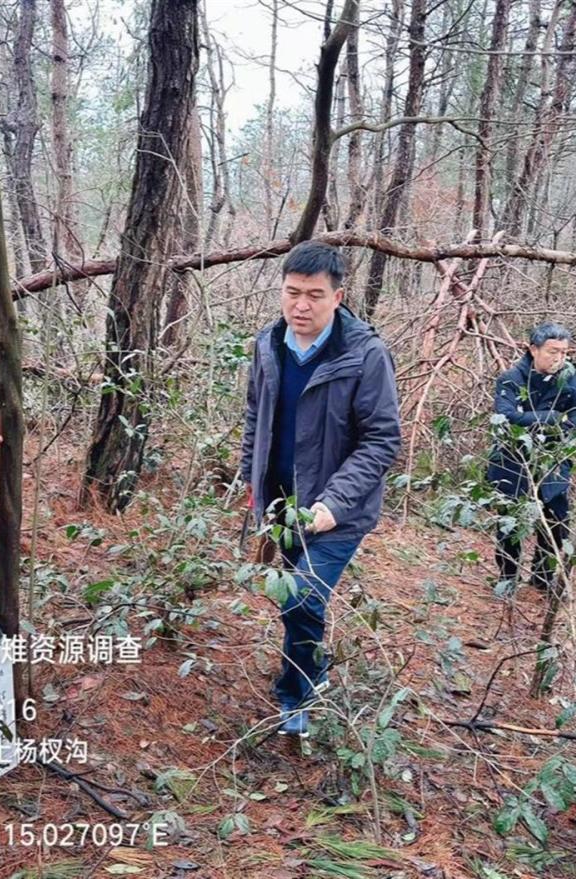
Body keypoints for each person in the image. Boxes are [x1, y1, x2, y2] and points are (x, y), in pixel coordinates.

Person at [240, 241, 401, 737]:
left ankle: (299, 694)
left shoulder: (365, 353)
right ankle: (310, 669)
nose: (300, 306)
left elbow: (381, 439)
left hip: (338, 511)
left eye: (314, 295)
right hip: (282, 504)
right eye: (292, 293)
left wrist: (334, 502)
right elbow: (255, 418)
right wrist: (252, 484)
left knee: (304, 598)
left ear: (338, 296)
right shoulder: (268, 345)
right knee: (293, 596)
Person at [486, 323, 576, 594]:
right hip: (512, 460)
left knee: (555, 521)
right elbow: (508, 418)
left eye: (564, 352)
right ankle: (507, 578)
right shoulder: (511, 378)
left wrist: (537, 422)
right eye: (552, 351)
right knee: (511, 522)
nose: (559, 358)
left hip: (554, 460)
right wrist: (554, 418)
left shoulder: (574, 379)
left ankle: (541, 580)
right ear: (533, 349)